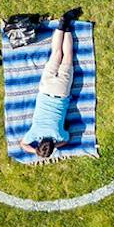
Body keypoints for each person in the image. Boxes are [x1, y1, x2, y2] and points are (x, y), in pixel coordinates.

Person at [24, 9, 84, 159]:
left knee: (68, 56)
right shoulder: (34, 133)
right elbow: (23, 145)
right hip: (45, 89)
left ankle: (68, 25)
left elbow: (66, 140)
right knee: (56, 53)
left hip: (61, 92)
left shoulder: (58, 134)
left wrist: (55, 146)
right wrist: (35, 151)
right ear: (38, 144)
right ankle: (61, 24)